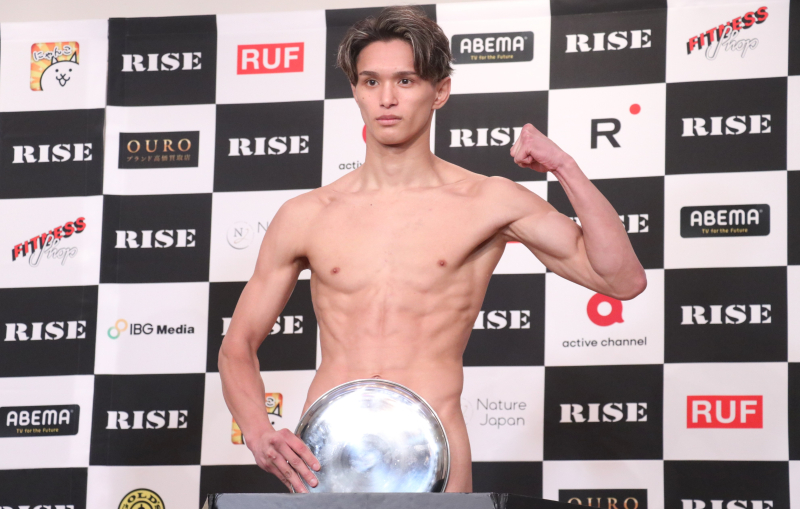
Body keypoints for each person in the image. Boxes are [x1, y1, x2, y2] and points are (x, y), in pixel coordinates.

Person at [218, 5, 647, 494]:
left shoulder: (487, 201)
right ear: (355, 90)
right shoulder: (307, 214)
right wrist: (258, 431)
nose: (386, 98)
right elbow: (237, 346)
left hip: (435, 451)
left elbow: (621, 279)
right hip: (327, 455)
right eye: (371, 81)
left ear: (440, 91)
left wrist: (565, 167)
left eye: (405, 81)